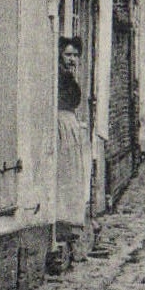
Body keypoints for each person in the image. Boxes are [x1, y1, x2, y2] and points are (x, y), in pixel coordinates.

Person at [56, 37, 91, 247]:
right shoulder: (60, 76)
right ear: (61, 55)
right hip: (62, 126)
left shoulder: (69, 76)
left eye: (76, 55)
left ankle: (68, 222)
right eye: (68, 54)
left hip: (69, 126)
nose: (72, 59)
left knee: (71, 173)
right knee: (66, 173)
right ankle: (64, 222)